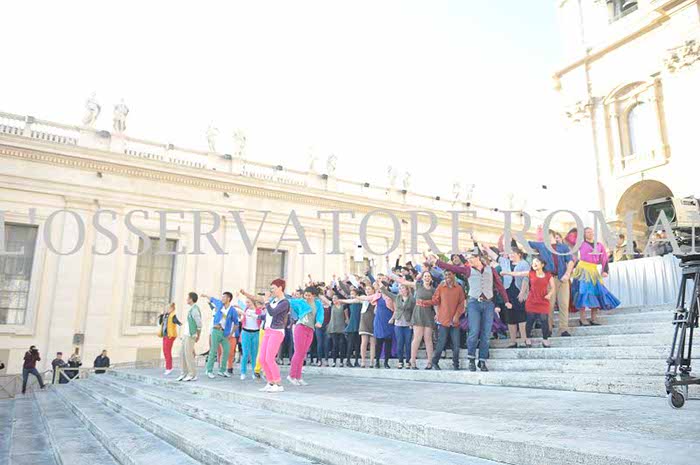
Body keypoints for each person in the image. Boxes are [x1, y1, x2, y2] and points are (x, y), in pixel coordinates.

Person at [433, 251, 511, 372]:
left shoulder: (491, 270)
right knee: (474, 332)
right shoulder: (468, 270)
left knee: (486, 334)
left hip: (488, 303)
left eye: (471, 258)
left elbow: (499, 285)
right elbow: (452, 268)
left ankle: (482, 361)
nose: (469, 260)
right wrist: (437, 262)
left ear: (478, 258)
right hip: (474, 303)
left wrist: (506, 300)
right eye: (468, 259)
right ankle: (471, 359)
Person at [528, 229, 575, 337]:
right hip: (549, 280)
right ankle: (548, 329)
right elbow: (527, 243)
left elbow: (570, 261)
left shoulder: (563, 247)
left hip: (562, 278)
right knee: (549, 305)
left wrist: (567, 274)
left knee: (564, 304)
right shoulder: (542, 246)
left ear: (552, 235)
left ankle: (564, 329)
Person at [571, 227, 621, 325]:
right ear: (584, 234)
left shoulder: (599, 245)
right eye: (587, 232)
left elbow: (604, 258)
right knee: (583, 292)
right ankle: (582, 319)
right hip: (583, 270)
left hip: (593, 271)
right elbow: (571, 243)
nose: (590, 234)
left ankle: (593, 318)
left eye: (591, 232)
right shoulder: (580, 244)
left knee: (596, 292)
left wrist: (605, 270)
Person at [504, 257, 555, 347]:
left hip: (543, 301)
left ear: (542, 264)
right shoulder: (530, 273)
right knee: (530, 320)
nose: (534, 264)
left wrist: (550, 294)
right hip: (532, 301)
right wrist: (506, 273)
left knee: (544, 320)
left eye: (537, 262)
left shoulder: (548, 275)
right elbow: (518, 274)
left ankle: (545, 339)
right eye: (533, 262)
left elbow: (553, 287)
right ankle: (527, 338)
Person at [427, 269, 466, 371]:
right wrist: (428, 304)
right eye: (445, 275)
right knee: (441, 343)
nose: (447, 276)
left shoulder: (459, 288)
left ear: (454, 275)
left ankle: (456, 364)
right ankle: (435, 362)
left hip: (455, 321)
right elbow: (435, 300)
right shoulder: (441, 287)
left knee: (456, 345)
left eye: (449, 274)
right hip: (443, 320)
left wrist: (457, 315)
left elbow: (461, 304)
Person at [287, 287, 326, 385]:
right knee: (298, 352)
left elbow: (320, 314)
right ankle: (292, 375)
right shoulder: (301, 302)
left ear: (314, 295)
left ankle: (298, 377)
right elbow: (289, 301)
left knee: (303, 353)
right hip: (301, 327)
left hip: (310, 329)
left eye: (309, 295)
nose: (307, 297)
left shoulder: (318, 304)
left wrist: (319, 322)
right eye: (305, 295)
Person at [257, 279, 291, 392]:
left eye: (273, 288)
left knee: (269, 358)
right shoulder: (274, 301)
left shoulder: (284, 302)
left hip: (277, 331)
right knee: (262, 358)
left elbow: (272, 312)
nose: (271, 290)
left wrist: (266, 301)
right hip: (268, 330)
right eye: (270, 288)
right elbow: (268, 315)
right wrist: (255, 315)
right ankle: (270, 382)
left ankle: (278, 384)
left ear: (280, 288)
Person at [202, 291, 240, 379]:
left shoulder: (232, 310)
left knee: (226, 351)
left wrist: (231, 333)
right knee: (213, 351)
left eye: (224, 297)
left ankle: (222, 371)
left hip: (225, 333)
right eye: (222, 297)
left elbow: (236, 323)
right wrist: (205, 295)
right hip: (216, 331)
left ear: (229, 299)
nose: (222, 298)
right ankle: (209, 370)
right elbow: (212, 299)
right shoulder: (219, 304)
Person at [381, 281, 415, 369]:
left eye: (403, 288)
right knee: (400, 343)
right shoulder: (397, 297)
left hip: (408, 323)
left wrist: (412, 323)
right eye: (400, 288)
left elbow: (414, 312)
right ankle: (400, 361)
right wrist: (381, 286)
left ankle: (408, 361)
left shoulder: (412, 299)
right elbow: (387, 293)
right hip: (398, 323)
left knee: (408, 343)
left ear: (407, 290)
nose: (401, 290)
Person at [501, 248, 531, 348]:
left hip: (519, 291)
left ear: (519, 254)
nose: (511, 255)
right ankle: (513, 341)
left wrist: (522, 292)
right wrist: (485, 248)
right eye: (509, 253)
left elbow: (526, 278)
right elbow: (494, 256)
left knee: (521, 316)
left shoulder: (524, 264)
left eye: (513, 253)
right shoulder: (506, 263)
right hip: (508, 292)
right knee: (510, 317)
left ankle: (523, 339)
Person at [235, 296, 262, 380]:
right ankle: (243, 372)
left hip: (256, 333)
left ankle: (254, 372)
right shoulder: (245, 309)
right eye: (246, 302)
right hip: (246, 333)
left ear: (253, 302)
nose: (247, 304)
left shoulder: (259, 311)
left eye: (248, 302)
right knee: (245, 353)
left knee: (254, 354)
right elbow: (237, 307)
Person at [177, 292, 202, 382]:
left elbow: (199, 324)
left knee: (188, 355)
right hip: (186, 335)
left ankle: (192, 374)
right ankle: (184, 373)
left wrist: (198, 335)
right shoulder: (191, 309)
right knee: (182, 353)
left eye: (188, 298)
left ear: (191, 299)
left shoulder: (195, 310)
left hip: (191, 335)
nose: (186, 299)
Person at [158, 303, 182, 376]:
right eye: (166, 308)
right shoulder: (165, 316)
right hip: (165, 335)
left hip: (170, 336)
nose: (166, 310)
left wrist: (180, 323)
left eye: (168, 308)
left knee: (167, 351)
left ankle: (169, 368)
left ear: (172, 309)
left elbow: (177, 321)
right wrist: (161, 316)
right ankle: (168, 367)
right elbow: (160, 323)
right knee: (165, 351)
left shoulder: (172, 315)